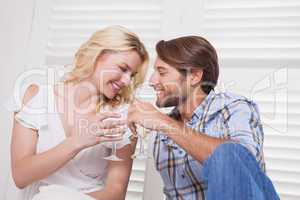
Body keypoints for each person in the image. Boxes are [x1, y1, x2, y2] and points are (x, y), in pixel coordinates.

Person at [127, 36, 279, 199]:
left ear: (194, 76)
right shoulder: (162, 132)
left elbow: (241, 165)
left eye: (162, 72)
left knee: (228, 153)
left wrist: (163, 123)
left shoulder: (234, 108)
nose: (152, 81)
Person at [6, 26, 149, 200]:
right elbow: (20, 176)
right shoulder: (36, 97)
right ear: (98, 55)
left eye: (132, 75)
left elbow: (115, 193)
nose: (127, 81)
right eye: (123, 68)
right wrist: (78, 142)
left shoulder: (121, 118)